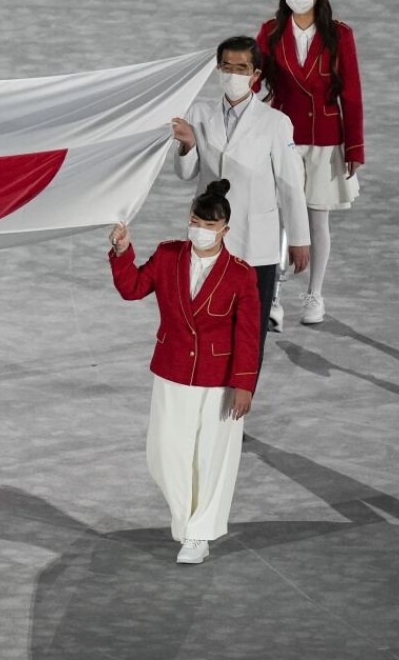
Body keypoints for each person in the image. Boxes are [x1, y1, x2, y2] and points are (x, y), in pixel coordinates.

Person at [109, 180, 261, 564]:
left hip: (219, 379)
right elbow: (132, 288)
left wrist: (244, 384)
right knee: (164, 453)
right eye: (195, 222)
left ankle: (199, 533)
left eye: (209, 225)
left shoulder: (241, 274)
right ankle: (184, 521)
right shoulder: (168, 255)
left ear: (225, 229)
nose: (200, 230)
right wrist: (122, 251)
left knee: (211, 457)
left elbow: (247, 334)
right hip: (172, 369)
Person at [172, 36, 310, 363]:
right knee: (206, 328)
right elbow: (186, 173)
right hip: (209, 240)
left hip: (255, 246)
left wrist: (299, 239)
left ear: (255, 74)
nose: (232, 74)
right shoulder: (198, 113)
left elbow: (291, 185)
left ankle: (241, 393)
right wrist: (188, 144)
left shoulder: (275, 123)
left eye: (241, 68)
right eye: (226, 67)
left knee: (248, 335)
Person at [256, 0, 364, 325]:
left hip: (324, 140)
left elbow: (351, 94)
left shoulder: (339, 35)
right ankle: (273, 296)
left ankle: (314, 295)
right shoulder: (271, 32)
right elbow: (255, 78)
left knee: (317, 220)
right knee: (279, 219)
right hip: (283, 136)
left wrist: (355, 146)